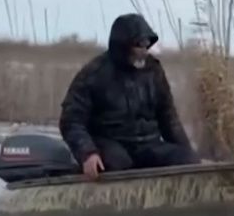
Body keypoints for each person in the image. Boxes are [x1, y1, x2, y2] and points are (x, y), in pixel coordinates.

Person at [59, 13, 199, 179]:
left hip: (148, 144)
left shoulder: (153, 71)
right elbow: (71, 120)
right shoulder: (95, 73)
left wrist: (188, 156)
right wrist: (87, 153)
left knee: (185, 160)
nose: (143, 51)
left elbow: (168, 116)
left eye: (146, 46)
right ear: (123, 45)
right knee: (118, 163)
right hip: (110, 143)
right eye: (138, 45)